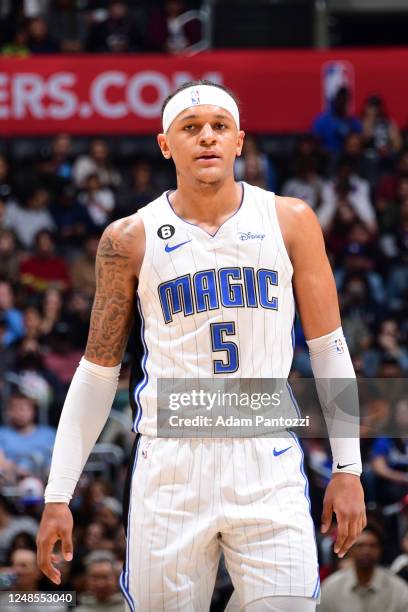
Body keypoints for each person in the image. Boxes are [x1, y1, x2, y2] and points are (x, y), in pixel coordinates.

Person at [37, 80, 366, 611]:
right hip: (170, 462)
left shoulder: (290, 220)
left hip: (264, 454)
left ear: (240, 141)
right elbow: (97, 373)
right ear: (166, 144)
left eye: (220, 126)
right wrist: (58, 494)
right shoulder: (128, 239)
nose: (207, 137)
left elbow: (329, 348)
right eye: (191, 128)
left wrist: (348, 469)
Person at [318, 525, 408, 612]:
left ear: (380, 550)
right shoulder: (331, 588)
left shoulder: (399, 590)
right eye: (360, 546)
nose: (366, 551)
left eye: (372, 546)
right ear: (350, 550)